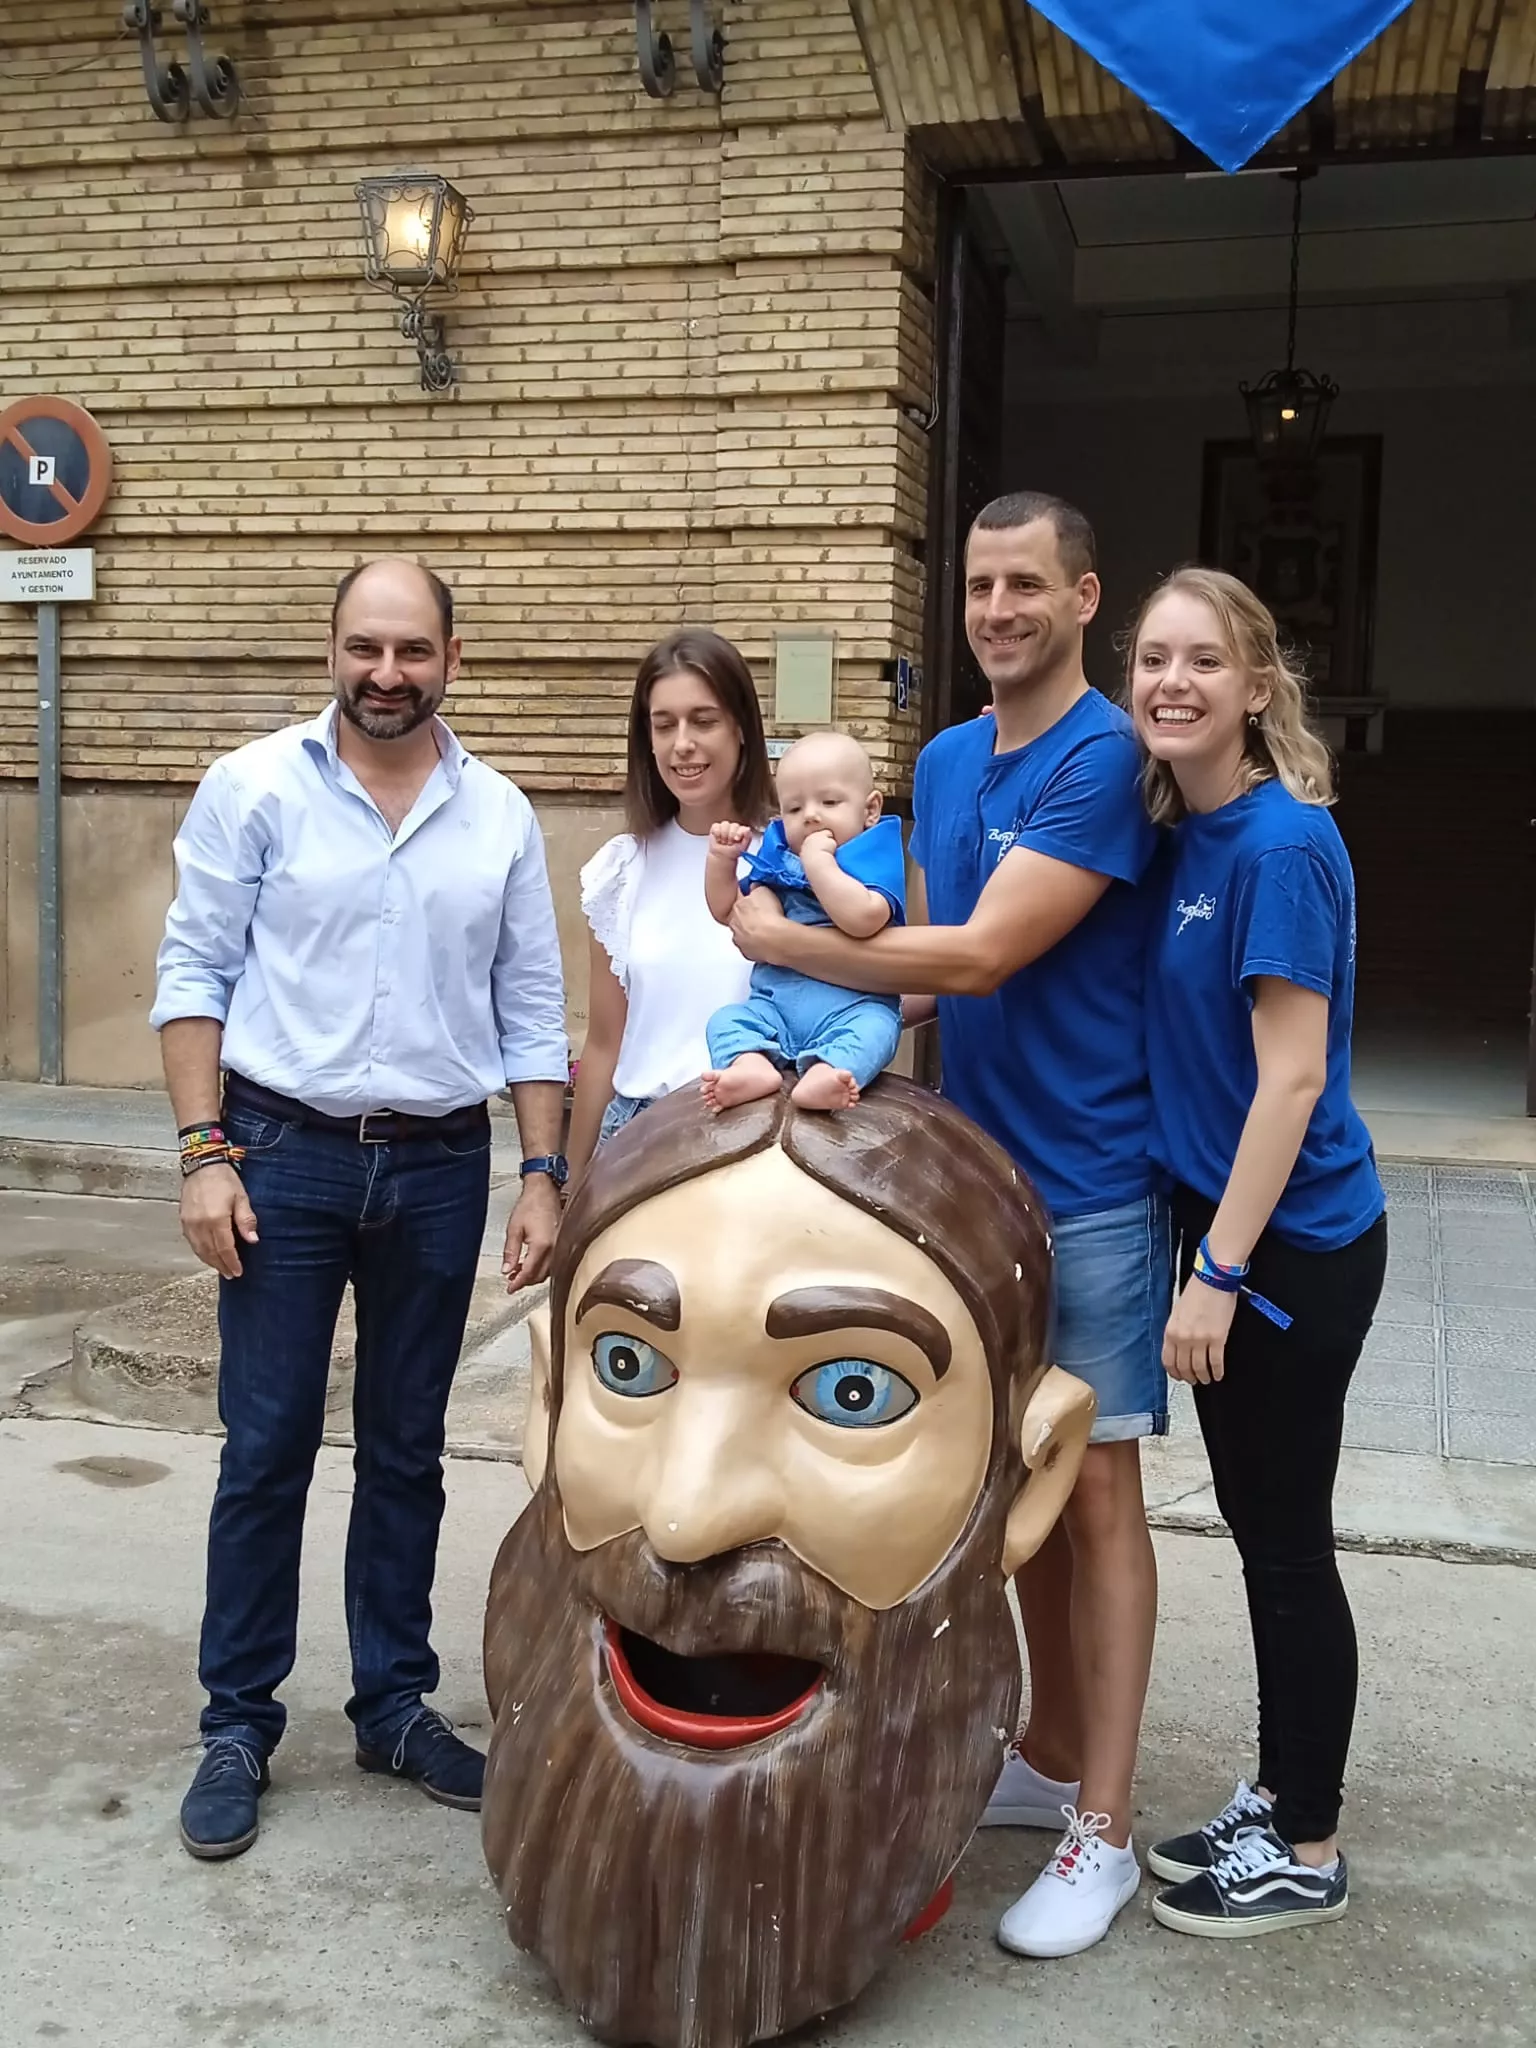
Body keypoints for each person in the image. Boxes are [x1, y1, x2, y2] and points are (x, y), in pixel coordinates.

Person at [730, 491, 1168, 1959]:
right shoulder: (942, 758)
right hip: (976, 1171)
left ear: (1084, 595)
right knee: (1015, 1481)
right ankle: (1043, 1751)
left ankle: (1104, 1827)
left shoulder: (1104, 755)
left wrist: (774, 939)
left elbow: (980, 952)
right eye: (980, 585)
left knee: (1097, 1492)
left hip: (1094, 1174)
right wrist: (791, 1017)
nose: (997, 607)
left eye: (1026, 583)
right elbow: (908, 973)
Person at [151, 557, 569, 1862]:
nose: (387, 674)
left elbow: (530, 1010)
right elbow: (193, 972)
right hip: (282, 1152)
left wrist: (544, 1172)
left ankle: (393, 1706)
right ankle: (237, 1725)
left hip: (442, 1164)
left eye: (413, 651)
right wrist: (202, 1153)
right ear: (332, 649)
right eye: (364, 648)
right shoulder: (255, 786)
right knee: (266, 1446)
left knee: (406, 1449)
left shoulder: (497, 814)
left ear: (454, 657)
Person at [1125, 566, 1386, 1939]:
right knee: (1264, 1532)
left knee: (1286, 1548)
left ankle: (1311, 1844)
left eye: (1203, 662)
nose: (1172, 682)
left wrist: (1218, 1275)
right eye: (1153, 660)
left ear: (1257, 686)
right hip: (1241, 1232)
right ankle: (1283, 1796)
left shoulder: (1277, 847)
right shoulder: (1196, 830)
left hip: (1289, 1246)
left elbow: (1290, 1083)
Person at [564, 629, 776, 1183]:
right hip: (636, 1138)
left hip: (756, 1142)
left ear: (741, 732)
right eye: (664, 725)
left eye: (703, 721)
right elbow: (605, 1044)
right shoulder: (620, 870)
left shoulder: (790, 862)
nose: (683, 743)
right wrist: (569, 1185)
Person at [701, 729, 905, 1113]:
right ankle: (751, 1065)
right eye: (794, 809)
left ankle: (830, 1073)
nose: (810, 815)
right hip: (773, 1008)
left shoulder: (872, 855)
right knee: (726, 1019)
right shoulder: (780, 857)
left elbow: (863, 919)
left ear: (870, 809)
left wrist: (818, 863)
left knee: (877, 1029)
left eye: (829, 801)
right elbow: (730, 910)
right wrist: (721, 862)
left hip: (854, 1006)